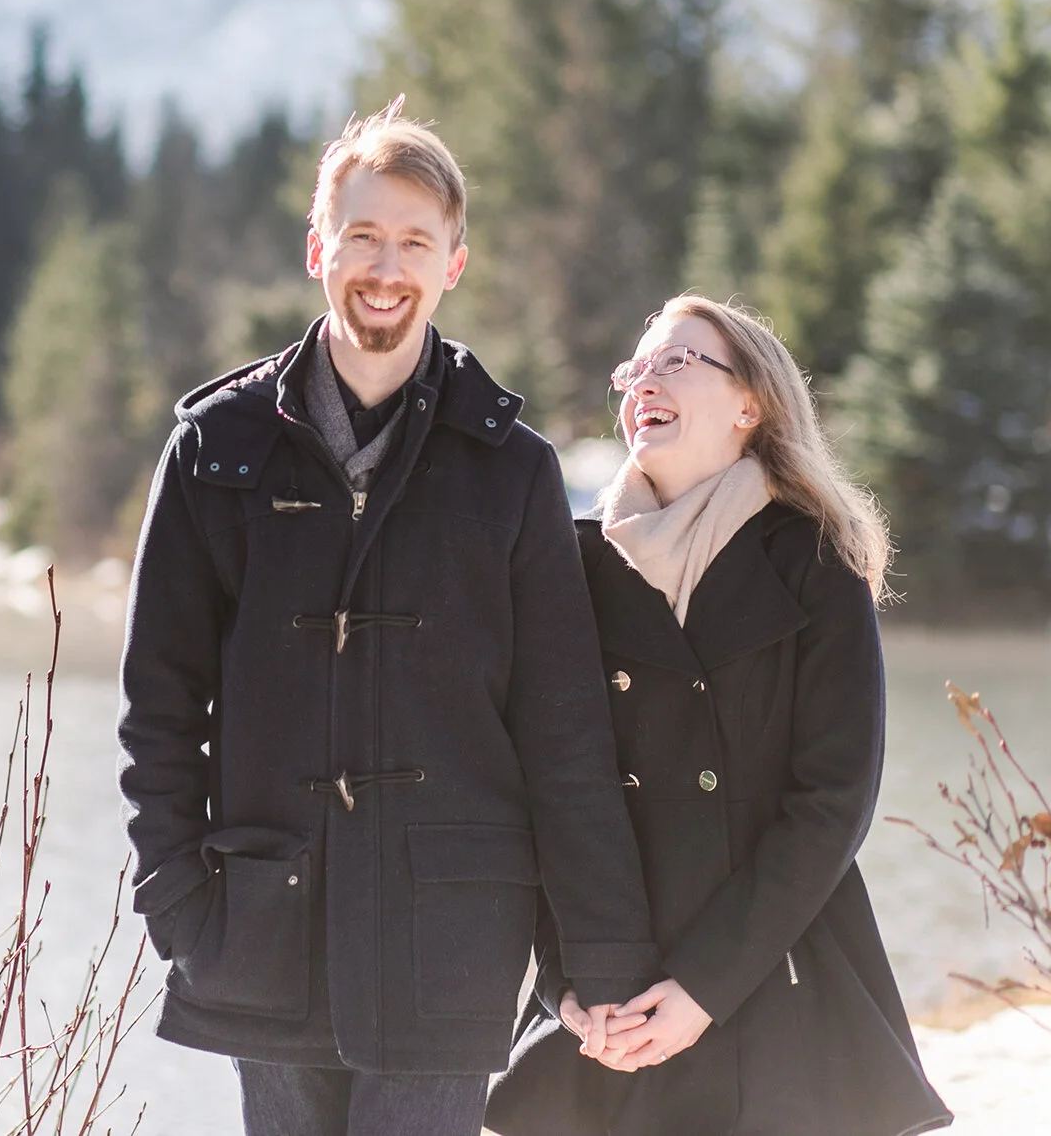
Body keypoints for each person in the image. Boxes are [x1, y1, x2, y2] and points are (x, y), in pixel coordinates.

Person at [118, 99, 658, 1136]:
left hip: (449, 935)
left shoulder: (514, 471)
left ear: (454, 264)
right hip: (260, 925)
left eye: (415, 241)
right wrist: (178, 905)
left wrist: (597, 954)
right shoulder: (216, 452)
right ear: (320, 247)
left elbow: (565, 731)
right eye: (363, 235)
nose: (385, 266)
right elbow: (158, 708)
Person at [486, 295, 952, 1136]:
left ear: (751, 405)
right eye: (635, 368)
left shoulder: (815, 560)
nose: (643, 382)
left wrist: (702, 990)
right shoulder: (572, 566)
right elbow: (547, 794)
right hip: (613, 995)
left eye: (675, 361)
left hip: (775, 977)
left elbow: (832, 801)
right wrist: (568, 984)